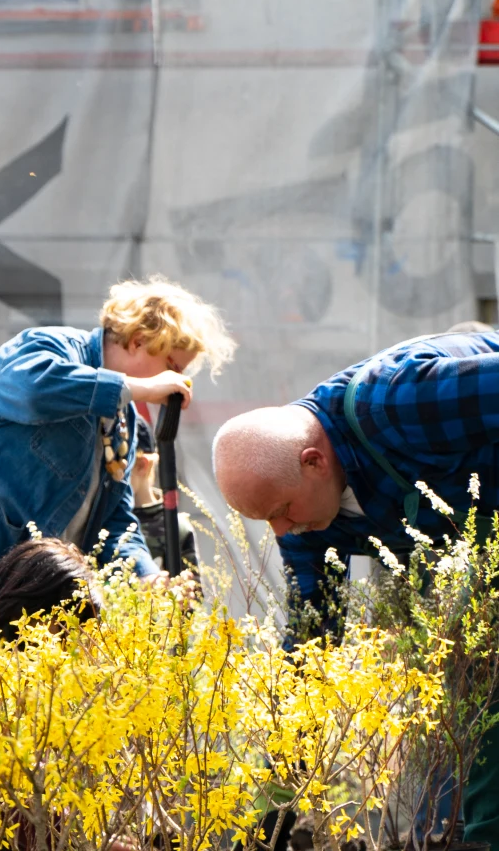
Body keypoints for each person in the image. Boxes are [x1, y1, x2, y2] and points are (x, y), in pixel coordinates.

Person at [211, 330, 499, 848]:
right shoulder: (307, 522)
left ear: (313, 461)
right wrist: (269, 814)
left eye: (279, 512)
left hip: (485, 560)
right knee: (449, 765)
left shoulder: (396, 402)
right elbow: (311, 649)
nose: (282, 532)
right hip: (474, 569)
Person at [0, 276, 236, 583]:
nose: (173, 381)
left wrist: (149, 578)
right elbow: (25, 390)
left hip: (6, 574)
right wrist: (134, 387)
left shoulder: (123, 425)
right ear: (138, 339)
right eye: (170, 364)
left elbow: (114, 521)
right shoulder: (51, 345)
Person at [130, 414, 200, 582]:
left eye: (120, 466)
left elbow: (194, 596)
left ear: (141, 465)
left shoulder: (175, 527)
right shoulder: (103, 522)